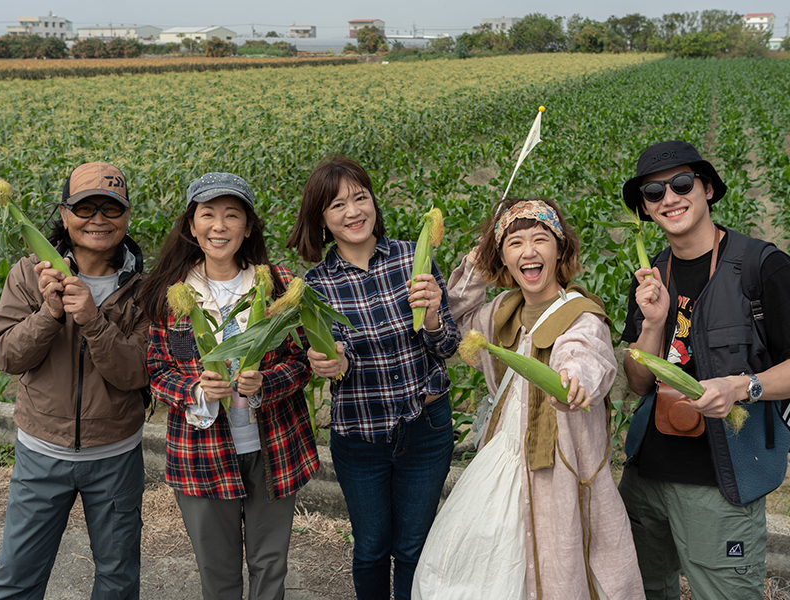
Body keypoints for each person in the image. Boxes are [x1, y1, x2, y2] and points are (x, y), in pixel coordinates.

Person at [414, 197, 644, 600]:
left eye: (541, 239)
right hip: (502, 466)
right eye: (515, 244)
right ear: (502, 258)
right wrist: (475, 270)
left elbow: (586, 354)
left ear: (560, 251)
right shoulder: (502, 312)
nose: (530, 251)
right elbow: (451, 327)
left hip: (561, 473)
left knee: (564, 569)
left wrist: (573, 381)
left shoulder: (581, 315)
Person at [617, 140, 790, 600]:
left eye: (681, 183)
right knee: (641, 590)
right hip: (645, 477)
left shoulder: (761, 266)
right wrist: (653, 326)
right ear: (646, 211)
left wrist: (742, 386)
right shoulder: (650, 276)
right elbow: (639, 385)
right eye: (653, 193)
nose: (669, 198)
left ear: (707, 188)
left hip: (722, 484)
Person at [285, 155, 459, 600]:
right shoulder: (316, 286)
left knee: (413, 547)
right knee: (371, 549)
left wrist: (436, 313)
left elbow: (447, 348)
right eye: (337, 205)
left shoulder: (411, 259)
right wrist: (329, 365)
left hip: (426, 429)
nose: (353, 211)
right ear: (321, 219)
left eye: (360, 198)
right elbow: (329, 362)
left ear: (374, 204)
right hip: (360, 440)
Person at [142, 172, 319, 600]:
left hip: (273, 446)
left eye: (231, 215)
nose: (219, 226)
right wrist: (196, 392)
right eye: (208, 215)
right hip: (201, 453)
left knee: (270, 566)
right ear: (191, 225)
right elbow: (158, 371)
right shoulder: (172, 293)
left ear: (249, 226)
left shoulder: (274, 281)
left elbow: (300, 361)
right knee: (217, 574)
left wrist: (263, 385)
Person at [0, 162, 148, 599]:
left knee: (117, 581)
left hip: (115, 457)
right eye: (85, 207)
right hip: (42, 453)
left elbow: (136, 371)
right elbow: (5, 354)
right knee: (14, 578)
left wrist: (94, 322)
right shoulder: (30, 273)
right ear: (63, 215)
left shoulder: (143, 289)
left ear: (127, 216)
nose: (98, 219)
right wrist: (50, 313)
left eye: (111, 208)